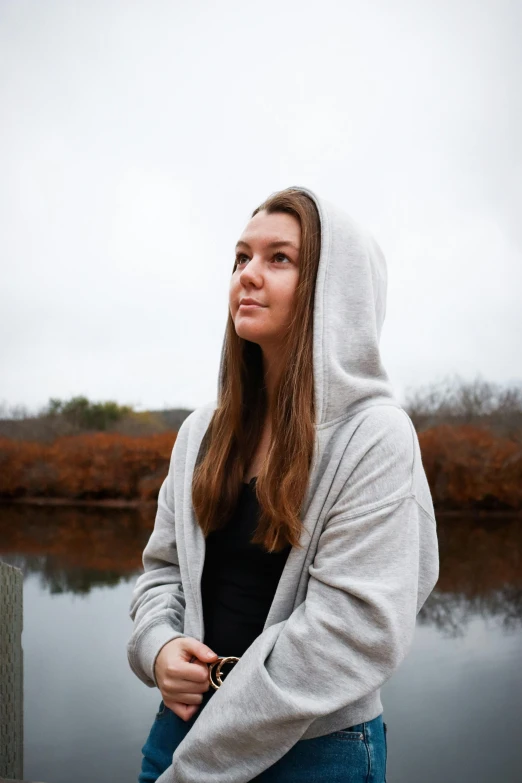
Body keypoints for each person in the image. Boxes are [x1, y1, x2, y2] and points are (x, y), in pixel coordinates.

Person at [127, 186, 440, 783]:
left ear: (334, 288)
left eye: (279, 258)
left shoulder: (375, 437)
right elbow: (163, 570)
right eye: (241, 257)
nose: (248, 274)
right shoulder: (201, 433)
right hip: (181, 724)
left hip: (318, 747)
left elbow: (355, 631)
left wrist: (199, 767)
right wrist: (158, 647)